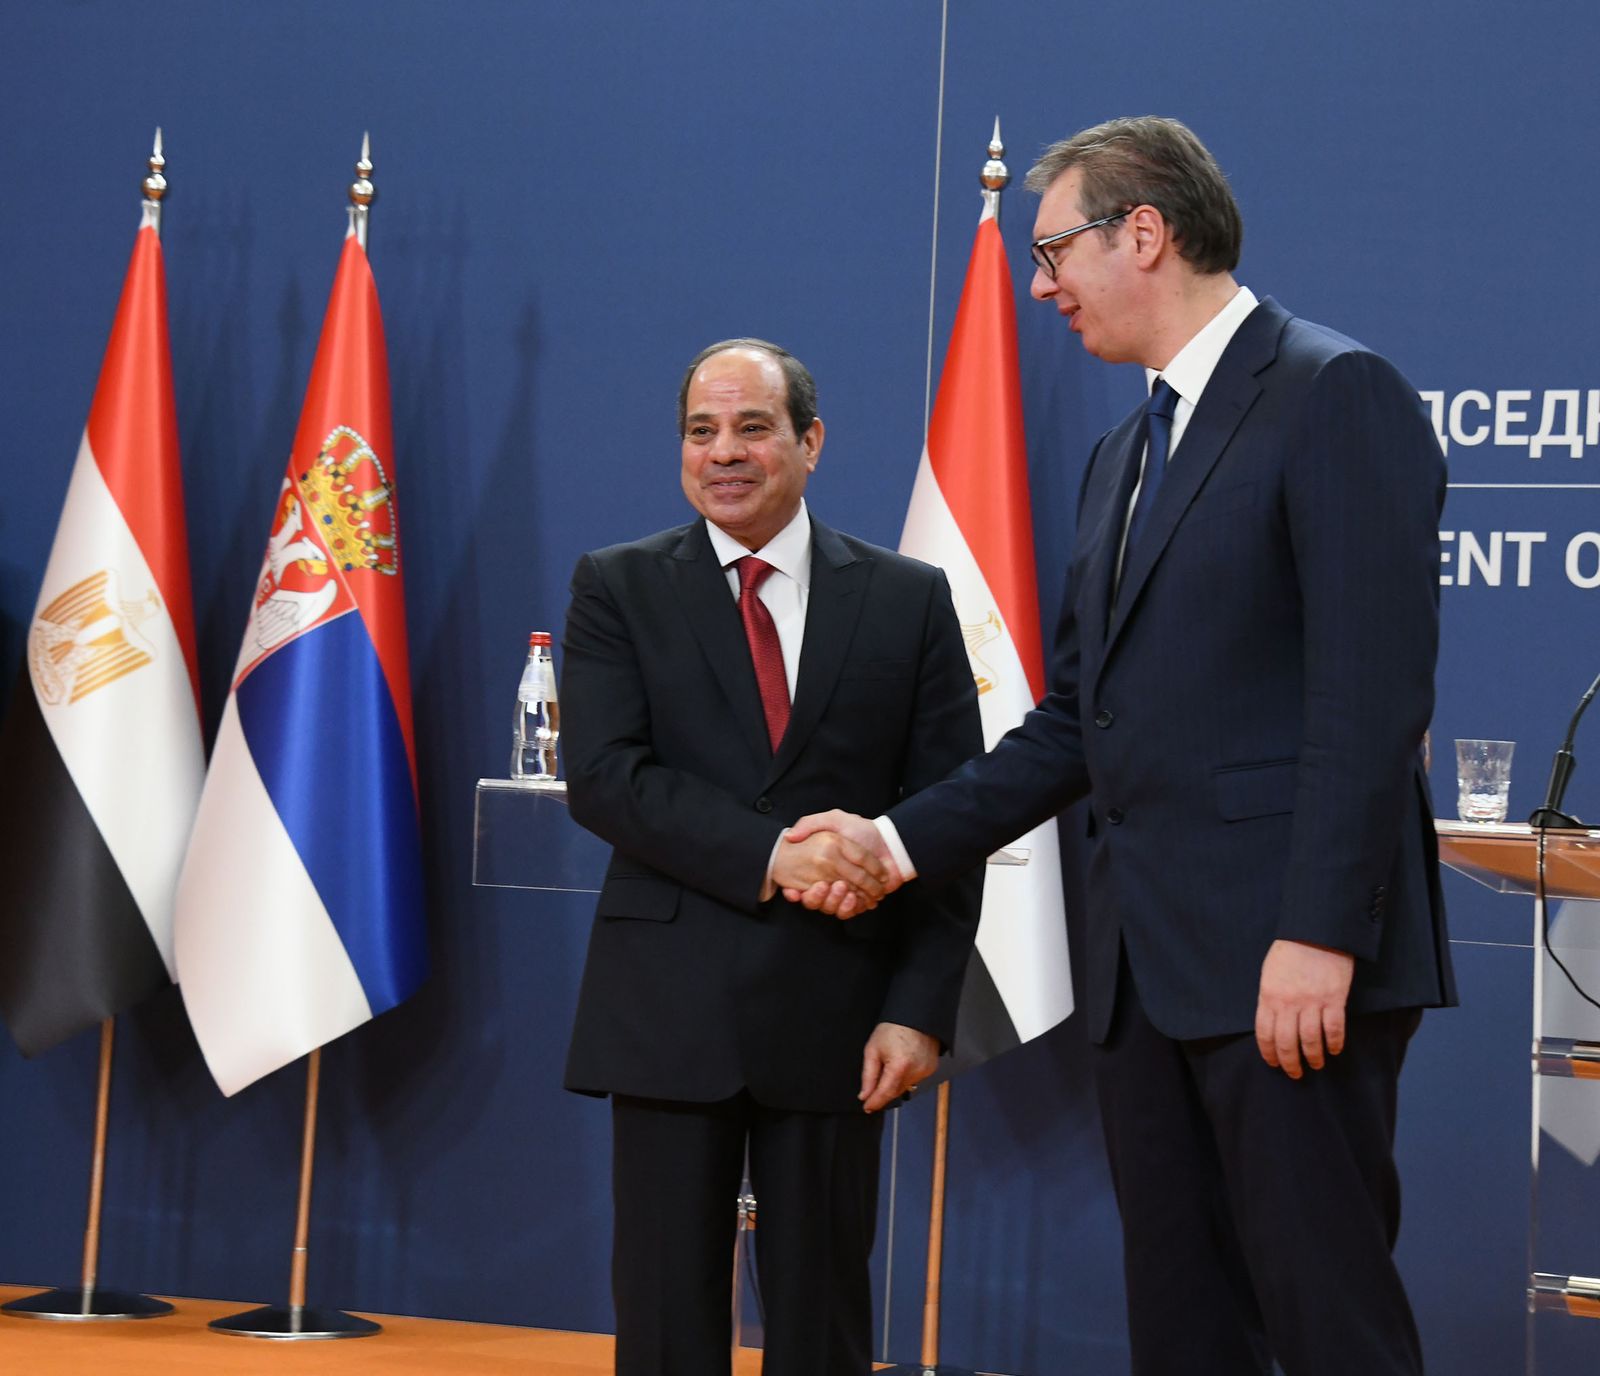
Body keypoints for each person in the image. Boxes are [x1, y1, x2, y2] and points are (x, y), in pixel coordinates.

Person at [785, 118, 1456, 1375]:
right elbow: (1077, 722)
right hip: (1146, 969)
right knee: (1183, 1326)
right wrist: (891, 841)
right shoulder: (1120, 455)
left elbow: (1371, 701)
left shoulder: (1333, 391)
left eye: (1053, 251)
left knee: (1329, 1321)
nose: (1040, 285)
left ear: (1142, 233)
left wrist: (1319, 933)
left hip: (1287, 964)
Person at [560, 338, 982, 1375]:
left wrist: (920, 1007)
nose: (724, 452)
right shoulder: (617, 585)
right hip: (668, 1010)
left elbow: (948, 817)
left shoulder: (907, 597)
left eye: (752, 427)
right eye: (701, 431)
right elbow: (605, 777)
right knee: (664, 1319)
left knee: (824, 1319)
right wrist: (771, 857)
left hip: (840, 1010)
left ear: (810, 441)